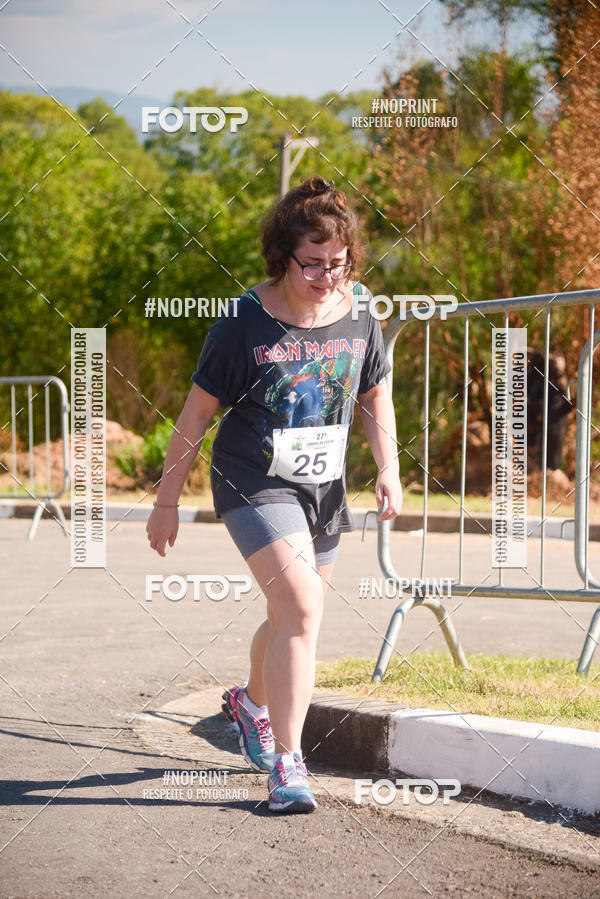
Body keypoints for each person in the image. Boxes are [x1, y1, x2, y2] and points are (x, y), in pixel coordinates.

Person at [146, 176, 402, 814]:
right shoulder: (244, 322)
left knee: (292, 613)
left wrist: (389, 469)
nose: (324, 275)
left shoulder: (362, 309)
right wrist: (166, 498)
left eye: (336, 263)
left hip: (324, 487)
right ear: (282, 256)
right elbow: (195, 414)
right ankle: (289, 763)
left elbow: (375, 396)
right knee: (300, 606)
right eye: (310, 263)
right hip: (252, 479)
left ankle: (251, 703)